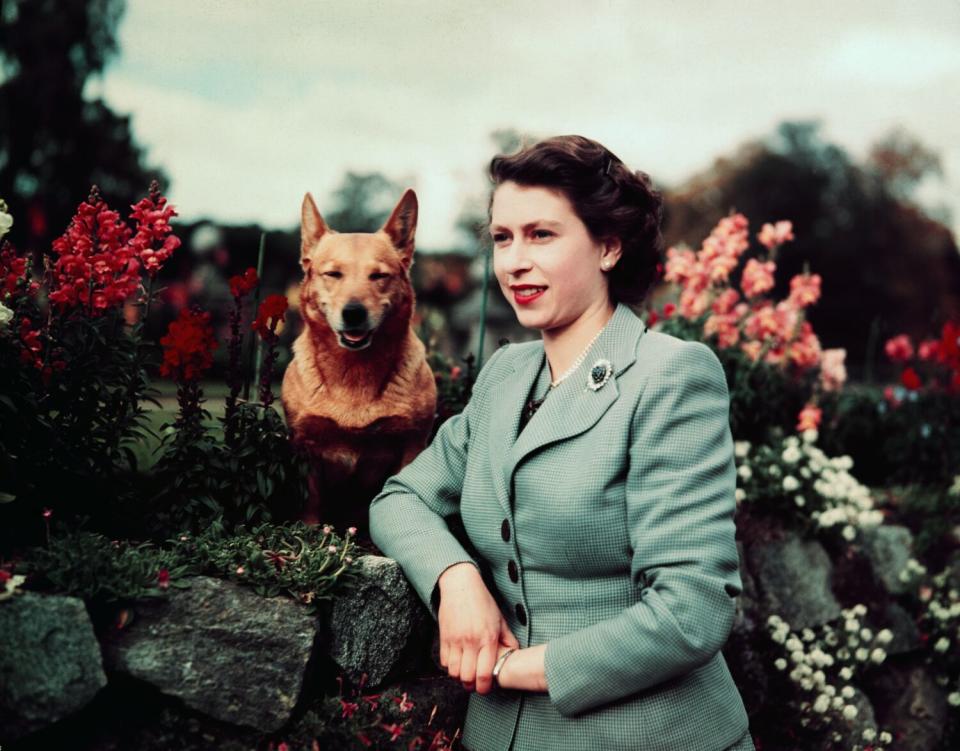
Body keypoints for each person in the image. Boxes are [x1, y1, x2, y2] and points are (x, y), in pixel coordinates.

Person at [368, 135, 755, 751]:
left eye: (541, 235)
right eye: (502, 237)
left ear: (607, 246)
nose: (514, 261)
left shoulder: (671, 375)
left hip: (649, 736)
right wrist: (457, 578)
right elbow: (399, 499)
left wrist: (511, 667)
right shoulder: (504, 376)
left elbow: (692, 610)